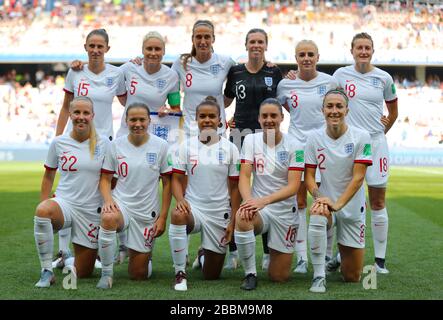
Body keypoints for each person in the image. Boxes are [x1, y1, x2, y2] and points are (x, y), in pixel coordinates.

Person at [53, 29, 127, 267]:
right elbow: (66, 107)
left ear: (107, 48)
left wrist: (136, 62)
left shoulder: (117, 74)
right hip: (73, 141)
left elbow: (128, 102)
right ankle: (63, 252)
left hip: (103, 141)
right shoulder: (75, 72)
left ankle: (101, 249)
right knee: (67, 190)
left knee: (104, 192)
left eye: (100, 46)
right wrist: (57, 139)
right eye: (91, 46)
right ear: (85, 47)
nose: (95, 50)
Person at [332, 33, 398, 274]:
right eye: (359, 47)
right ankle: (342, 252)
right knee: (347, 199)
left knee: (378, 200)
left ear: (372, 50)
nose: (363, 51)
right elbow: (331, 102)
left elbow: (393, 112)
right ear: (352, 51)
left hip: (376, 144)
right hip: (350, 146)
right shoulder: (340, 75)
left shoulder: (383, 78)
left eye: (367, 48)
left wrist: (382, 131)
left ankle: (380, 260)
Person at [276, 40, 338, 273]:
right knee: (299, 201)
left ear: (318, 56)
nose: (306, 58)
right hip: (297, 146)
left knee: (324, 201)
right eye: (302, 54)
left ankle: (328, 255)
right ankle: (301, 258)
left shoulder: (330, 82)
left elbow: (336, 110)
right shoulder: (285, 84)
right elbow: (284, 108)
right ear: (296, 57)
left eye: (310, 54)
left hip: (323, 147)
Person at [34, 96, 109, 287]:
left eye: (86, 113)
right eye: (77, 112)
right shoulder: (59, 142)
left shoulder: (104, 144)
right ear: (70, 114)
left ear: (92, 115)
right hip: (65, 203)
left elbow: (110, 180)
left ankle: (66, 260)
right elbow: (48, 176)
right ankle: (46, 271)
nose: (81, 117)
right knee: (43, 212)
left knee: (83, 272)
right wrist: (44, 202)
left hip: (91, 211)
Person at [223, 28, 283, 270]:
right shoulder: (236, 71)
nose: (256, 45)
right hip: (239, 136)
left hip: (267, 137)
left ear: (266, 45)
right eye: (252, 42)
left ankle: (268, 251)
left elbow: (283, 100)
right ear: (246, 45)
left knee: (267, 186)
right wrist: (226, 119)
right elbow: (226, 100)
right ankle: (233, 250)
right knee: (235, 190)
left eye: (260, 42)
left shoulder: (274, 71)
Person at [96, 103, 172, 289]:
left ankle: (143, 256)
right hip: (122, 205)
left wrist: (162, 217)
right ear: (126, 121)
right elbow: (105, 179)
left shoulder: (161, 146)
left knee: (138, 275)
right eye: (133, 120)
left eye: (142, 120)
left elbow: (168, 183)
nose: (137, 124)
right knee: (108, 217)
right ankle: (106, 274)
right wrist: (108, 200)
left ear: (149, 121)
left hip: (147, 212)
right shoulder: (115, 145)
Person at [169, 97, 241, 291]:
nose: (207, 120)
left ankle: (203, 255)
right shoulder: (185, 146)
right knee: (177, 214)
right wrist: (181, 199)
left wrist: (233, 220)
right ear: (196, 119)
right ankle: (179, 273)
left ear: (219, 120)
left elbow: (235, 189)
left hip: (219, 213)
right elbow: (176, 179)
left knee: (211, 275)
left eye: (211, 116)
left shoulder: (231, 148)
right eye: (203, 116)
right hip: (194, 209)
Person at [304, 88, 372, 293]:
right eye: (330, 106)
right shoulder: (313, 138)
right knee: (317, 212)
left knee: (352, 277)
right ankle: (318, 276)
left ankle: (340, 256)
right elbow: (308, 177)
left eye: (339, 106)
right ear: (322, 110)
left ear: (347, 110)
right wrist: (319, 197)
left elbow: (359, 177)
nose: (334, 110)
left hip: (351, 208)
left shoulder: (362, 136)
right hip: (326, 202)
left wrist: (338, 204)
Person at [234, 98, 304, 290]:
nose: (269, 120)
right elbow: (244, 176)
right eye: (264, 116)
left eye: (274, 115)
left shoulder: (295, 145)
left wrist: (263, 201)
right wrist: (249, 202)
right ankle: (250, 273)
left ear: (282, 118)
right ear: (258, 119)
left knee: (279, 277)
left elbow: (294, 186)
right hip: (260, 210)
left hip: (284, 212)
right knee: (242, 216)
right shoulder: (249, 140)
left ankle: (271, 245)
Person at [171, 20, 235, 137]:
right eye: (198, 37)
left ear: (213, 39)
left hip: (217, 131)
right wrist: (139, 62)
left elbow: (244, 77)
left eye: (207, 37)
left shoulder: (225, 62)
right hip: (189, 132)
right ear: (192, 39)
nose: (203, 41)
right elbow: (169, 88)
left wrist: (266, 63)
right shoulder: (181, 63)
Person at [116, 31, 181, 138]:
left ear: (164, 51)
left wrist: (168, 111)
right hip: (126, 133)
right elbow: (107, 76)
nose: (153, 53)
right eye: (149, 49)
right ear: (142, 50)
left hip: (152, 136)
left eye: (158, 49)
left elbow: (176, 109)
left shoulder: (172, 76)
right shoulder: (129, 67)